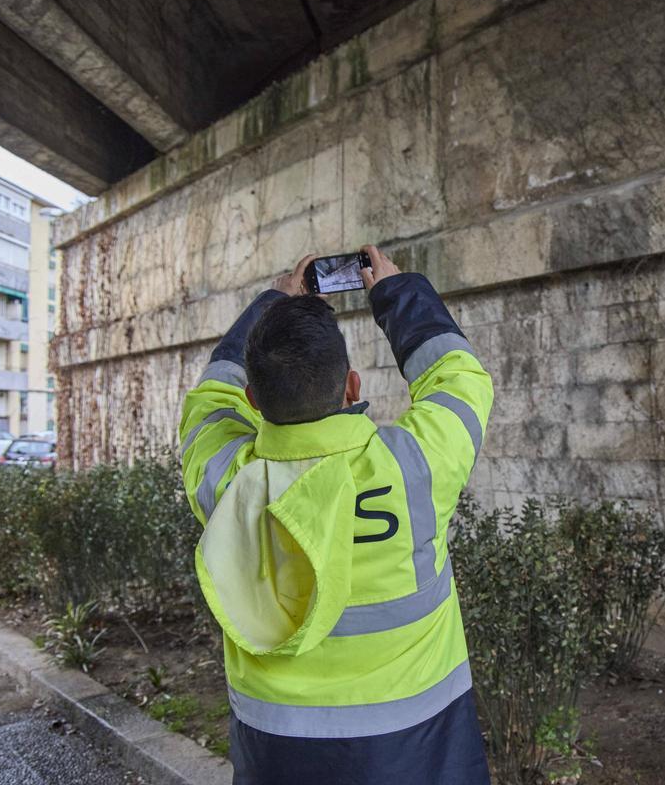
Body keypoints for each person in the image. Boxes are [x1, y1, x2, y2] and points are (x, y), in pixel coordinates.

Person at [179, 246, 494, 784]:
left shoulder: (223, 479)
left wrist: (273, 304)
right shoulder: (414, 466)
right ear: (352, 387)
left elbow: (210, 396)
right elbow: (459, 376)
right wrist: (396, 291)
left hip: (274, 752)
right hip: (421, 747)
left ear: (253, 399)